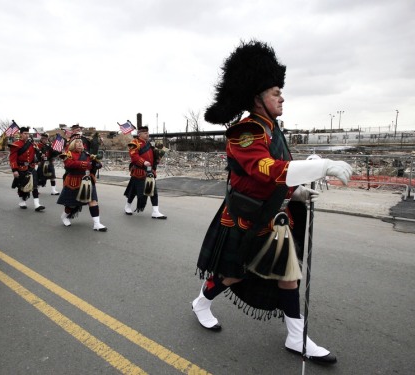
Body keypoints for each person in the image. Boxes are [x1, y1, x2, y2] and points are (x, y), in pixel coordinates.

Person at [192, 40, 353, 364]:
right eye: (275, 92)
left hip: (275, 218)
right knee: (234, 275)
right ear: (257, 98)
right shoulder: (245, 132)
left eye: (281, 92)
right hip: (246, 218)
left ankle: (297, 338)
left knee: (288, 275)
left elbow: (278, 179)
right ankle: (201, 302)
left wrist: (296, 193)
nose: (282, 97)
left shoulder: (273, 130)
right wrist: (321, 167)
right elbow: (266, 170)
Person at [56, 138, 107, 231]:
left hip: (87, 180)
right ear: (72, 145)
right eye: (77, 142)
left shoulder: (87, 154)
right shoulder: (68, 154)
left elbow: (95, 165)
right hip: (74, 181)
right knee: (71, 205)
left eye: (81, 143)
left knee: (93, 201)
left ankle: (97, 224)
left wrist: (96, 163)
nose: (80, 144)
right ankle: (64, 216)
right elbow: (69, 164)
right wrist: (87, 164)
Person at [123, 126, 166, 219]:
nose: (148, 134)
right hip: (138, 171)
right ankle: (128, 206)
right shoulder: (134, 143)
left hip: (150, 171)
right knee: (133, 191)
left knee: (153, 191)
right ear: (139, 134)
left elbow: (152, 155)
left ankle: (155, 211)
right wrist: (143, 162)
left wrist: (157, 158)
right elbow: (134, 156)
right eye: (145, 133)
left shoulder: (149, 144)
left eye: (148, 132)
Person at [9, 126, 45, 211]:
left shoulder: (32, 144)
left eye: (28, 133)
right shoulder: (16, 145)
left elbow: (36, 155)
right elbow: (12, 159)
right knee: (22, 186)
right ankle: (22, 201)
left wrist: (40, 155)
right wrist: (14, 170)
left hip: (31, 167)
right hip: (21, 168)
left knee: (34, 185)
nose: (27, 135)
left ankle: (37, 204)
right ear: (21, 134)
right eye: (25, 133)